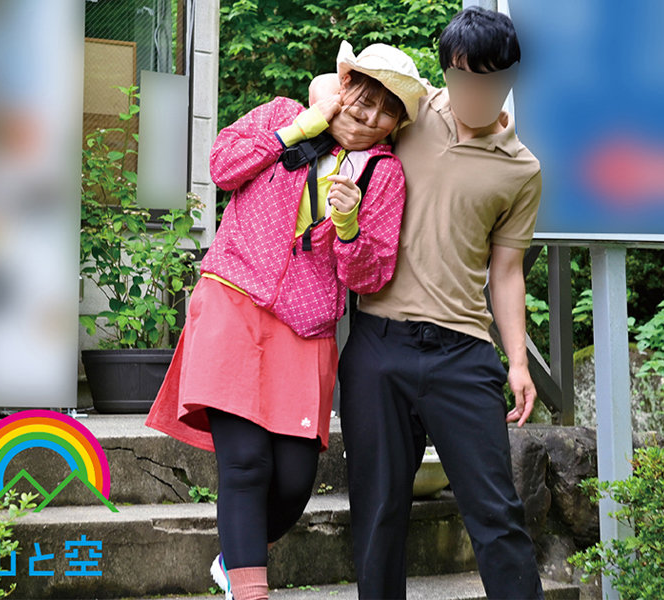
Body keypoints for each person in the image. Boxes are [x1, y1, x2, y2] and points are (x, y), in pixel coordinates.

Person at [144, 41, 427, 600]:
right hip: (233, 301)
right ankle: (250, 589)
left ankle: (237, 557)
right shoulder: (282, 113)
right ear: (344, 86)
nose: (368, 114)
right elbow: (223, 167)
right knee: (246, 463)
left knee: (295, 482)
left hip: (306, 328)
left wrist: (348, 225)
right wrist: (297, 129)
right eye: (363, 95)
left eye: (386, 109)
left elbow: (370, 275)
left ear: (397, 124)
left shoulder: (385, 174)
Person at [313, 7, 545, 599]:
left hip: (463, 352)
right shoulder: (411, 115)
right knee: (377, 514)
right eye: (462, 77)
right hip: (378, 343)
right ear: (447, 72)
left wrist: (518, 362)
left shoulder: (522, 170)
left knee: (496, 514)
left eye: (490, 81)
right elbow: (334, 87)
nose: (474, 92)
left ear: (510, 79)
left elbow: (507, 272)